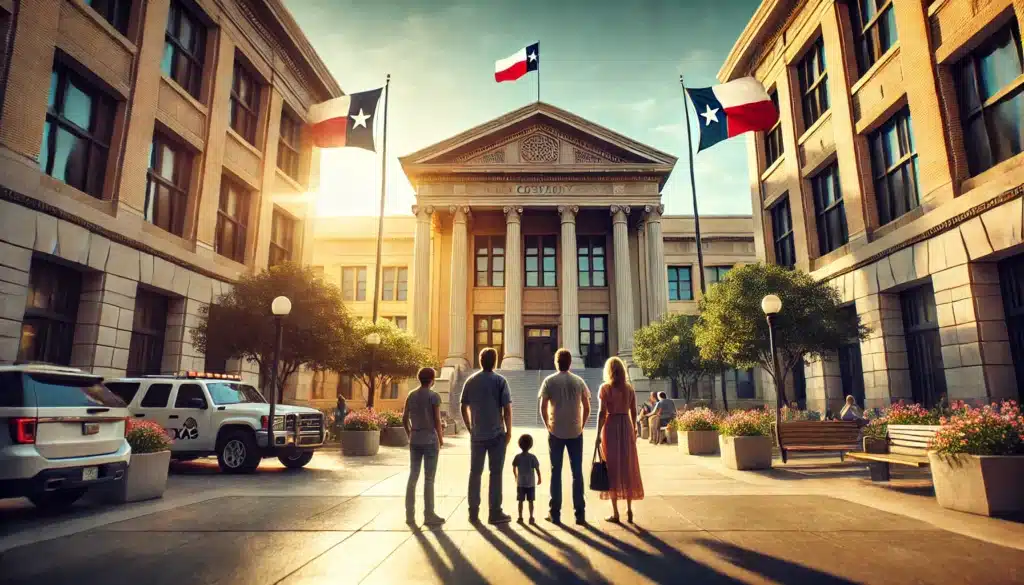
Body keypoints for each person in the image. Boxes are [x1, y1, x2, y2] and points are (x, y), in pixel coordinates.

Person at [538, 348, 591, 525]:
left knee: (556, 472)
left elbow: (542, 407)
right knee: (577, 473)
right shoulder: (579, 381)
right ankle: (580, 514)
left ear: (556, 362)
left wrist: (548, 426)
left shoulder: (549, 381)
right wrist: (581, 426)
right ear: (570, 362)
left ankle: (555, 513)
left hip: (556, 432)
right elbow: (588, 406)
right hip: (575, 432)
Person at [460, 347, 513, 525]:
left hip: (477, 435)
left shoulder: (471, 380)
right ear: (495, 361)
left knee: (475, 473)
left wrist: (470, 427)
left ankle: (473, 513)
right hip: (497, 434)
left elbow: (462, 406)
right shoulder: (500, 381)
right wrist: (509, 432)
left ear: (480, 360)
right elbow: (507, 409)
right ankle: (494, 513)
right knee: (495, 474)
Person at [597, 356, 644, 524]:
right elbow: (633, 412)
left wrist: (597, 435)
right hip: (626, 426)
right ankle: (629, 510)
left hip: (610, 427)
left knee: (612, 468)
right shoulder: (629, 389)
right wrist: (635, 429)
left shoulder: (605, 388)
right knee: (627, 466)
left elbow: (602, 413)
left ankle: (616, 513)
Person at [403, 367, 446, 527]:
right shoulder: (434, 396)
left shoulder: (411, 395)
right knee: (429, 479)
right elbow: (436, 420)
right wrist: (441, 439)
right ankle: (429, 515)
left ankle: (409, 515)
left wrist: (410, 433)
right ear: (432, 379)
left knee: (413, 476)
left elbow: (404, 418)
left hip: (415, 439)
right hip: (430, 440)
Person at [512, 434, 542, 525]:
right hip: (530, 483)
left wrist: (516, 476)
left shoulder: (517, 457)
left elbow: (514, 467)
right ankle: (531, 517)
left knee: (520, 501)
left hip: (520, 483)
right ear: (531, 445)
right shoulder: (532, 457)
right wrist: (539, 477)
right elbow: (537, 468)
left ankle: (520, 517)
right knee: (531, 501)